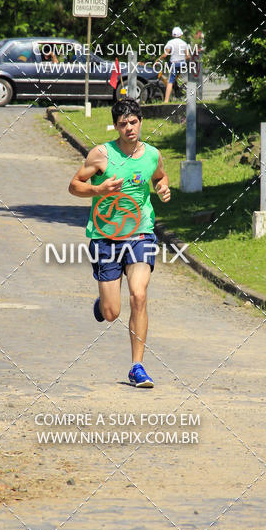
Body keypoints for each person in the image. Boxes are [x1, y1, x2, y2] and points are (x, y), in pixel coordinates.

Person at [68, 97, 170, 387]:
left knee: (139, 295)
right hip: (105, 237)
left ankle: (137, 366)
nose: (129, 128)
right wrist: (98, 189)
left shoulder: (152, 155)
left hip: (140, 232)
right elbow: (74, 186)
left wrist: (163, 189)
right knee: (112, 313)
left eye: (134, 122)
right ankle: (103, 304)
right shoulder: (101, 155)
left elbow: (160, 178)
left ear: (141, 122)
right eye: (123, 123)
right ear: (115, 126)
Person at [162, 26, 191, 103]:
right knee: (174, 76)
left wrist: (158, 59)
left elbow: (165, 55)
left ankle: (166, 101)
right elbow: (188, 56)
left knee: (170, 81)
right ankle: (177, 89)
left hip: (173, 64)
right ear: (181, 35)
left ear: (172, 35)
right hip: (182, 64)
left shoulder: (170, 42)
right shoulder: (184, 43)